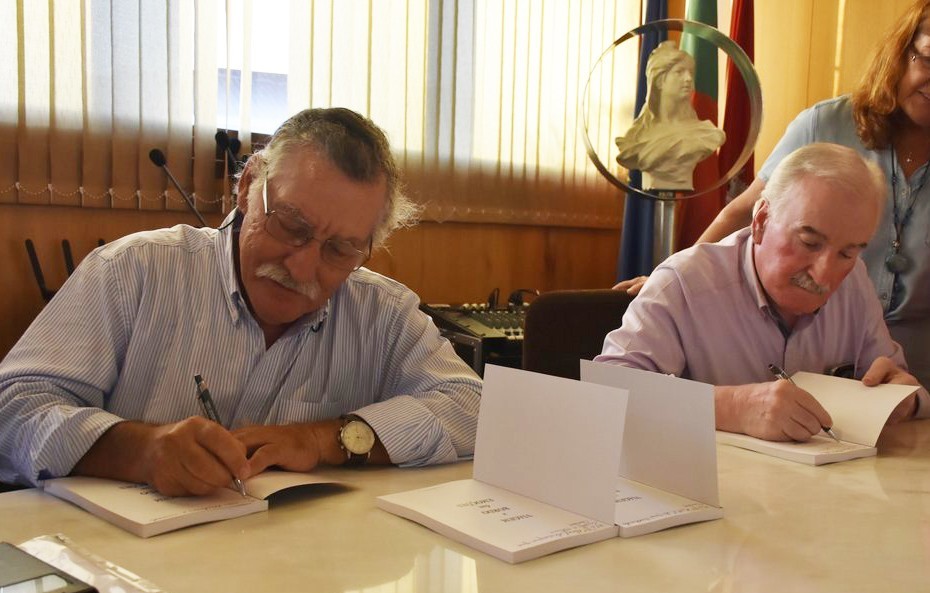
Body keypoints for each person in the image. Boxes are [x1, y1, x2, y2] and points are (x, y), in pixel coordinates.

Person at [0, 108, 482, 495]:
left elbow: (473, 408)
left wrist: (326, 438)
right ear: (249, 186)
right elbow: (15, 408)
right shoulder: (133, 272)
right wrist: (139, 451)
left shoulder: (382, 312)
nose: (302, 268)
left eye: (339, 250)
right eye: (291, 226)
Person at [616, 0, 930, 390]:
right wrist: (681, 278)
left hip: (895, 366)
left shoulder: (852, 288)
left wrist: (910, 398)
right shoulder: (826, 124)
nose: (827, 269)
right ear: (903, 53)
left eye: (849, 253)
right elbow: (743, 211)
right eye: (929, 60)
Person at [596, 143, 928, 442]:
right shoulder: (683, 283)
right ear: (761, 221)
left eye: (847, 252)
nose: (825, 273)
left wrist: (903, 398)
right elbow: (607, 391)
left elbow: (898, 382)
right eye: (809, 242)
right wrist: (733, 407)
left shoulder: (855, 281)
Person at [615, 40, 726, 191]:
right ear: (660, 81)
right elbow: (627, 155)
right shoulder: (636, 138)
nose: (688, 78)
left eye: (690, 73)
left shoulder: (706, 132)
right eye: (679, 72)